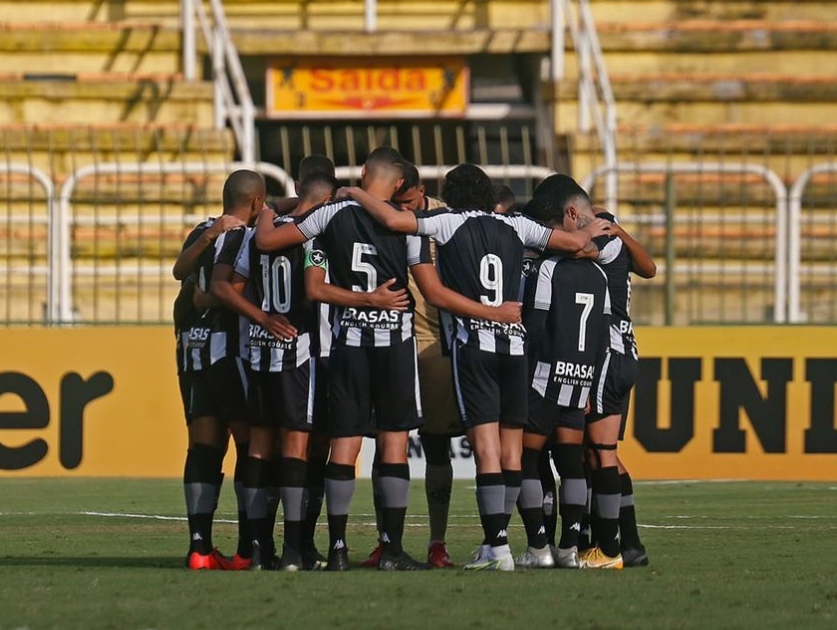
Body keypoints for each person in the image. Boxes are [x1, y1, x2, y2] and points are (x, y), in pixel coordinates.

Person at [255, 148, 523, 571]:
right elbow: (430, 289)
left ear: (363, 172)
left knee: (344, 445)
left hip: (349, 346)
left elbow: (295, 267)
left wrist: (272, 207)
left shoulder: (327, 219)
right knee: (395, 445)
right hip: (397, 345)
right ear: (400, 185)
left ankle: (339, 548)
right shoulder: (412, 229)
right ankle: (392, 549)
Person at [339, 162, 611, 571]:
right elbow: (574, 244)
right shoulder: (517, 225)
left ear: (453, 196)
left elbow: (395, 221)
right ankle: (508, 544)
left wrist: (353, 193)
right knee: (512, 453)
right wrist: (597, 229)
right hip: (515, 347)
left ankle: (496, 546)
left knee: (486, 450)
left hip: (476, 344)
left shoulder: (445, 221)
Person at [536, 174, 657, 568]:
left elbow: (581, 248)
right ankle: (619, 541)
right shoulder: (617, 244)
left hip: (605, 354)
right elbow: (651, 267)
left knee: (599, 453)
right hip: (626, 352)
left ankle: (611, 547)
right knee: (599, 453)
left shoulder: (601, 244)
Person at [220, 170, 338, 570]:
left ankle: (256, 549)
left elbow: (232, 288)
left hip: (258, 353)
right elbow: (315, 287)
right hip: (300, 353)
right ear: (326, 201)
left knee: (258, 446)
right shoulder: (313, 237)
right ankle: (293, 549)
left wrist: (261, 318)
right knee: (297, 447)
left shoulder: (258, 233)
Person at [360, 162, 460, 568]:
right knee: (387, 448)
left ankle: (438, 542)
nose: (400, 211)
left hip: (433, 344)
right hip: (386, 340)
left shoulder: (446, 220)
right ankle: (387, 540)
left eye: (407, 203)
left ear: (420, 192)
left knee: (437, 446)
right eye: (395, 203)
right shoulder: (374, 213)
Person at [172, 170, 267, 570]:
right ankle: (248, 549)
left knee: (204, 446)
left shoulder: (204, 229)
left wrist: (208, 241)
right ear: (257, 202)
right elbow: (248, 292)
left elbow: (181, 274)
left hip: (192, 352)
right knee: (249, 445)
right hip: (233, 354)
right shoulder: (257, 237)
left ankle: (199, 548)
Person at [515, 193, 611, 570]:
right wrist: (587, 383)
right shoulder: (600, 274)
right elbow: (602, 338)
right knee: (571, 464)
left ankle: (539, 547)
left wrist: (526, 375)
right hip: (580, 378)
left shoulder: (549, 269)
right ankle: (570, 548)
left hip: (544, 377)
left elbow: (536, 327)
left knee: (526, 459)